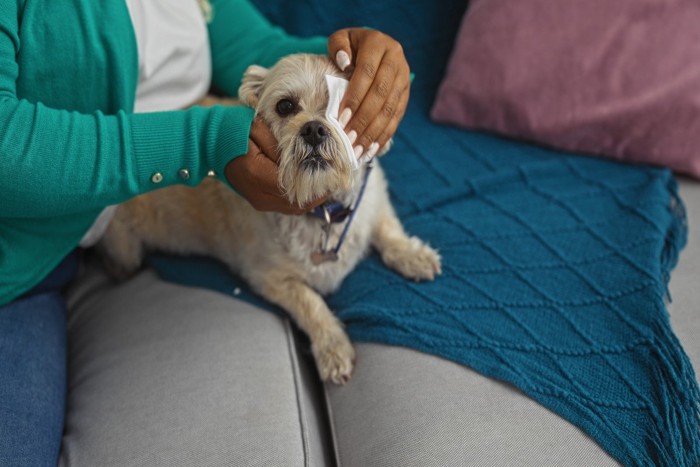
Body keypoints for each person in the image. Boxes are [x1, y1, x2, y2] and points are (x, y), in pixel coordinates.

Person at [0, 0, 410, 465]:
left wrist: (372, 73)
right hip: (16, 267)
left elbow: (267, 53)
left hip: (74, 249)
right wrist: (205, 142)